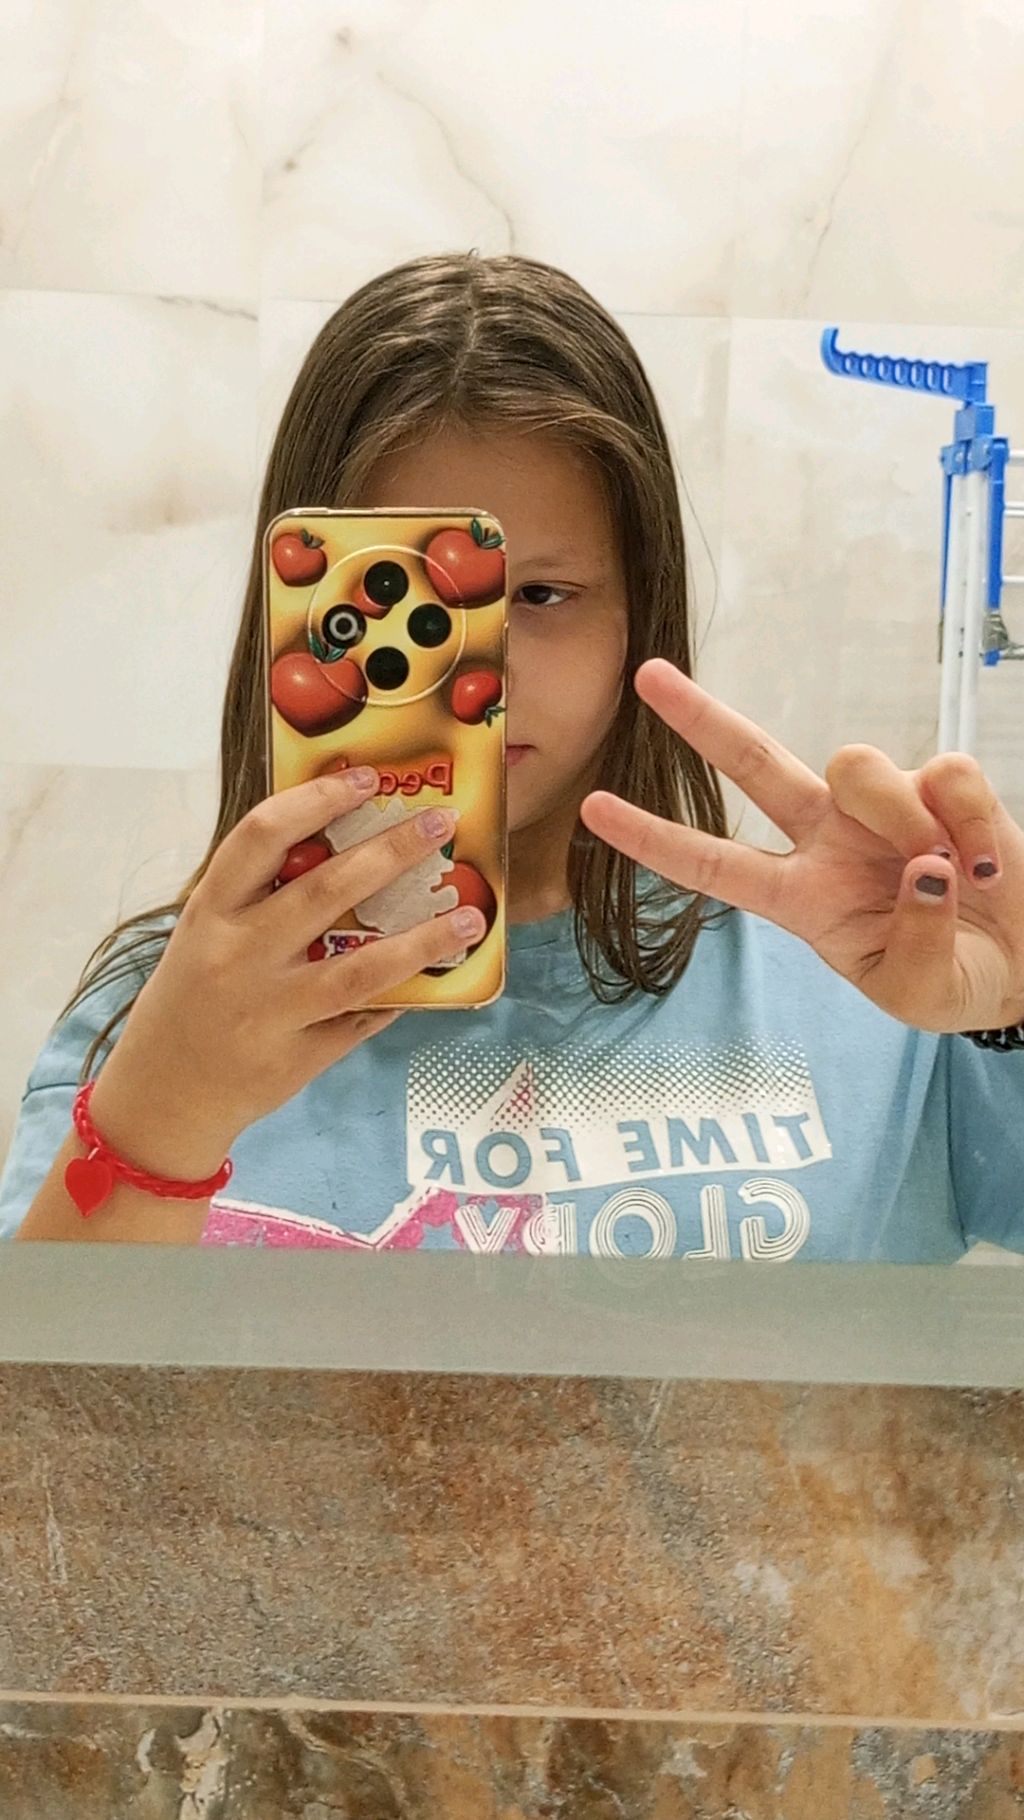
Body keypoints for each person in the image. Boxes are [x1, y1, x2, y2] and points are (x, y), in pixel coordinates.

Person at [3, 251, 1024, 1261]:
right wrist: (164, 1114)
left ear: (639, 611)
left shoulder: (878, 971)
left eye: (540, 595)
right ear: (300, 617)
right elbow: (54, 1379)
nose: (480, 678)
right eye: (401, 603)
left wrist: (1016, 1008)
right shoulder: (175, 1017)